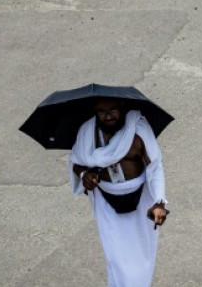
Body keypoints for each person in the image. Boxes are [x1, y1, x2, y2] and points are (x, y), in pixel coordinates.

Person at [69, 98, 168, 286]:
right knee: (116, 258)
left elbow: (155, 167)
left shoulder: (138, 130)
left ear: (122, 107)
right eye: (102, 112)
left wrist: (159, 202)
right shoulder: (87, 133)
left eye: (113, 110)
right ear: (95, 112)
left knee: (140, 260)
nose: (108, 116)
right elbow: (76, 161)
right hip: (106, 201)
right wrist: (84, 175)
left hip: (141, 198)